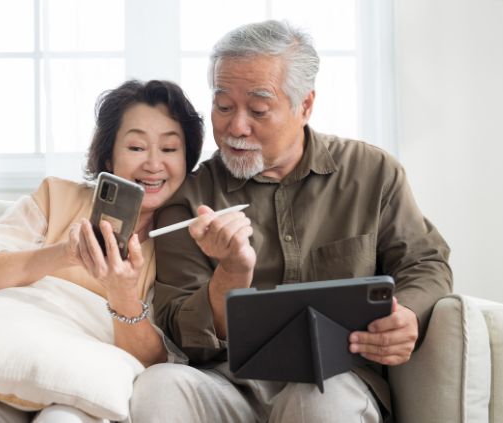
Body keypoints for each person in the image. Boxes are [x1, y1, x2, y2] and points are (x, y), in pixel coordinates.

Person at [130, 20, 453, 423]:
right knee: (159, 386)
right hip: (229, 383)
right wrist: (231, 272)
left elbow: (425, 263)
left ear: (305, 105)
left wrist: (407, 314)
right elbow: (181, 333)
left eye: (259, 109)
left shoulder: (372, 173)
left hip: (338, 379)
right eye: (223, 106)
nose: (235, 127)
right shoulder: (189, 201)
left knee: (315, 398)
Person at [0, 79, 204, 423]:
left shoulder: (181, 240)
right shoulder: (56, 197)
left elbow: (156, 363)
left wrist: (121, 293)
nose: (153, 164)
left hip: (82, 389)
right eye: (137, 147)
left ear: (187, 160)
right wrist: (63, 254)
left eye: (169, 150)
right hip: (3, 367)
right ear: (109, 155)